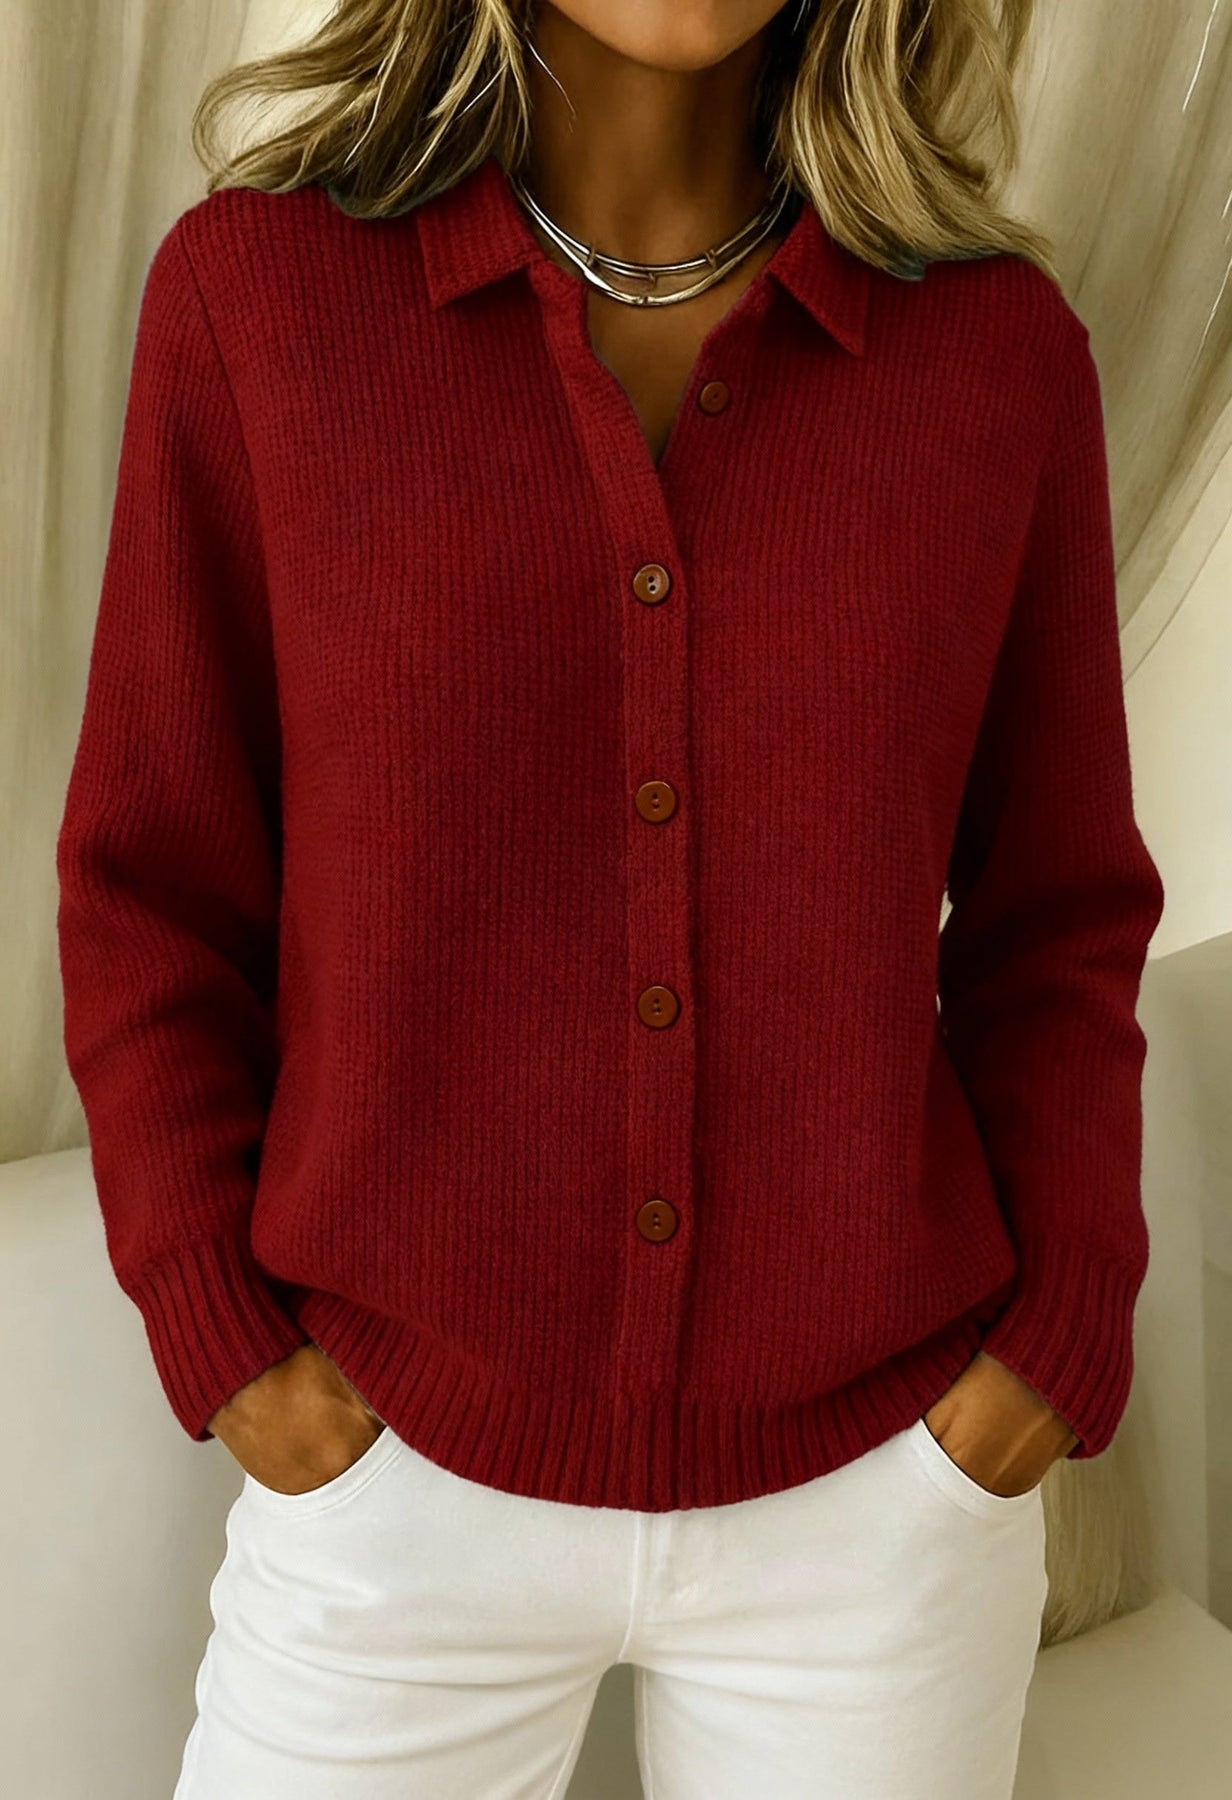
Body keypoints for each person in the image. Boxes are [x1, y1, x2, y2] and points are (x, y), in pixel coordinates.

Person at [54, 1, 1166, 1794]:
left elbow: (1060, 913)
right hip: (391, 1489)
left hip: (882, 1515)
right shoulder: (262, 304)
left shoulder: (993, 358)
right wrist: (232, 1344)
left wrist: (1057, 1340)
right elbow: (151, 885)